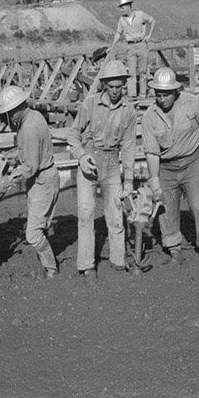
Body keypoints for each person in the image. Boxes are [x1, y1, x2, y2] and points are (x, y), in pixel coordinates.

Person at [140, 66, 199, 266]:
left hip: (193, 161)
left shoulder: (192, 103)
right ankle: (174, 250)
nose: (162, 98)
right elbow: (151, 152)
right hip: (166, 167)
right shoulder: (149, 116)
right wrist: (155, 182)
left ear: (176, 91)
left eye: (166, 94)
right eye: (158, 94)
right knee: (166, 210)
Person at [67, 60, 137, 279]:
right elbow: (73, 134)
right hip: (90, 161)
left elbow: (128, 147)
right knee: (86, 214)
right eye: (111, 86)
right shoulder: (91, 104)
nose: (115, 91)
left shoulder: (128, 110)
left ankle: (117, 260)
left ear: (124, 85)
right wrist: (81, 155)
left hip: (112, 164)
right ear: (104, 84)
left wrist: (129, 181)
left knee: (116, 215)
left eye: (119, 86)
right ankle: (87, 265)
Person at [0, 85, 60, 278]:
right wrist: (13, 155)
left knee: (32, 234)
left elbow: (30, 167)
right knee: (39, 224)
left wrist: (8, 180)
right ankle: (45, 262)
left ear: (15, 111)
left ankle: (51, 269)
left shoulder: (29, 127)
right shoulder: (33, 117)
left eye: (8, 114)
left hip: (42, 180)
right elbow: (31, 151)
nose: (8, 119)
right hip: (40, 178)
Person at [110, 0, 154, 98]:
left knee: (142, 71)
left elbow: (152, 21)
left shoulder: (140, 14)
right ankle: (132, 95)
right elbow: (118, 33)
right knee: (131, 73)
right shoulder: (121, 20)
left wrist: (149, 35)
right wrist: (113, 46)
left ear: (129, 6)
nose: (122, 9)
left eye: (123, 7)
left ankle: (143, 94)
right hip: (130, 47)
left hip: (142, 45)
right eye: (121, 7)